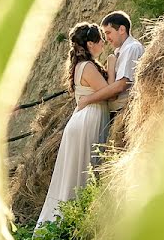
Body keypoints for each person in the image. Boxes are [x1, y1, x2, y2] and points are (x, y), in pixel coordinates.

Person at [36, 22, 111, 226]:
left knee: (76, 174)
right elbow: (108, 90)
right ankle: (71, 223)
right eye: (100, 41)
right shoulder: (87, 66)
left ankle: (67, 222)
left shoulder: (81, 65)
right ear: (89, 44)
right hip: (89, 118)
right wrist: (113, 67)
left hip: (83, 118)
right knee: (83, 173)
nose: (103, 44)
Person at [76, 11, 145, 117]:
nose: (106, 38)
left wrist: (87, 99)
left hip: (124, 111)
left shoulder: (132, 48)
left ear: (122, 29)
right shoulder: (120, 50)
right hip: (118, 112)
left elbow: (121, 85)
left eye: (108, 33)